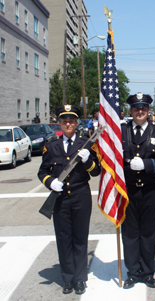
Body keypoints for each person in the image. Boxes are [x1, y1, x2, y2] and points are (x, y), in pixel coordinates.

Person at [37, 105, 100, 295]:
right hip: (60, 199)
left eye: (71, 121)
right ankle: (68, 278)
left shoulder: (85, 144)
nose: (68, 124)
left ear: (76, 123)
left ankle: (80, 279)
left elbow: (97, 171)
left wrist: (88, 160)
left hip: (81, 196)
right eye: (64, 121)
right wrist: (50, 183)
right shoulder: (52, 145)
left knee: (80, 239)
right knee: (64, 239)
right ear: (60, 123)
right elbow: (42, 171)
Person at [120, 93, 155, 289]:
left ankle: (148, 272)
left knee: (149, 233)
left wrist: (146, 164)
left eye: (143, 108)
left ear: (149, 110)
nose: (139, 111)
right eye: (136, 108)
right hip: (128, 191)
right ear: (130, 111)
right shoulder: (120, 132)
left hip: (150, 190)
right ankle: (133, 272)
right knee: (130, 233)